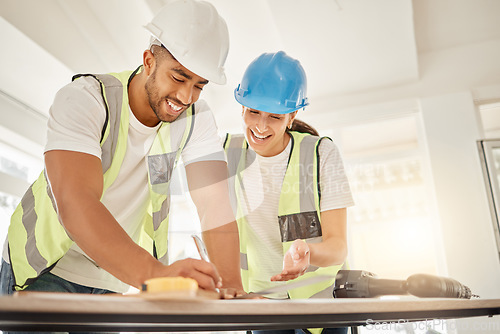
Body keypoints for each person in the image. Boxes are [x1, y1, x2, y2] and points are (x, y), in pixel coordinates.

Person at [0, 0, 242, 299]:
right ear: (149, 61)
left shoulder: (196, 119)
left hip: (113, 275)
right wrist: (156, 275)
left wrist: (232, 287)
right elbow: (76, 204)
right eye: (178, 77)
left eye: (199, 85)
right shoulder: (87, 99)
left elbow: (215, 204)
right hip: (46, 268)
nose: (186, 96)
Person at [224, 51, 354, 334]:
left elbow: (338, 247)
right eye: (253, 112)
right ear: (242, 107)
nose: (260, 126)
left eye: (274, 116)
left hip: (319, 307)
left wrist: (309, 251)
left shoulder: (321, 153)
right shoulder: (226, 154)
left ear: (292, 115)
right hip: (261, 306)